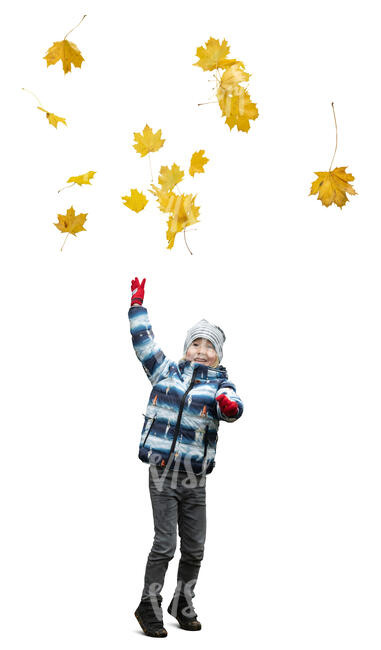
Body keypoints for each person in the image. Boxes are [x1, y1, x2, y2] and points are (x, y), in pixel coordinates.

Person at [129, 277, 243, 637]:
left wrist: (229, 406)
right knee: (165, 543)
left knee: (194, 547)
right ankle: (148, 606)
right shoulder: (166, 372)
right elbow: (144, 343)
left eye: (209, 346)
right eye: (196, 343)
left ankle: (182, 601)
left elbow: (233, 408)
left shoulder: (220, 384)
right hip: (163, 470)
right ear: (185, 348)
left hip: (195, 477)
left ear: (218, 355)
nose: (201, 350)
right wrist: (137, 307)